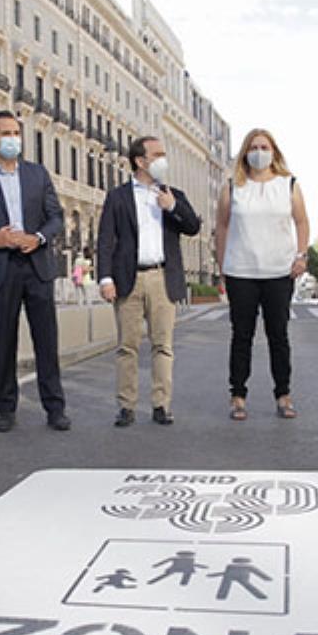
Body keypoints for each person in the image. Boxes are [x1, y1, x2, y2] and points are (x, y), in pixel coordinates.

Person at [0, 110, 70, 432]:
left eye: (16, 133)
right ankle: (6, 409)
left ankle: (55, 408)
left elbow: (56, 217)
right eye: (6, 134)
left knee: (46, 340)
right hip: (0, 267)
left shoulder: (38, 174)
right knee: (4, 341)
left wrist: (39, 238)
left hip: (37, 265)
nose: (13, 139)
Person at [97, 135, 200, 426]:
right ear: (140, 161)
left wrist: (172, 206)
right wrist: (105, 278)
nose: (163, 160)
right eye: (157, 155)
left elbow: (193, 226)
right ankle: (126, 406)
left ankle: (161, 405)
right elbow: (105, 240)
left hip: (162, 278)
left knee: (163, 345)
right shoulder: (118, 197)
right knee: (127, 347)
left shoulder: (172, 194)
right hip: (128, 279)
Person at [215, 128, 310, 421]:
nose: (259, 152)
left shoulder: (288, 184)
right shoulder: (232, 187)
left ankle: (283, 395)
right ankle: (237, 396)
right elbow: (222, 226)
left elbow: (301, 221)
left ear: (274, 152)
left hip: (279, 271)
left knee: (278, 336)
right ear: (245, 153)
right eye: (254, 147)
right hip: (240, 271)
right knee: (241, 336)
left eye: (264, 147)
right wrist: (222, 266)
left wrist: (301, 255)